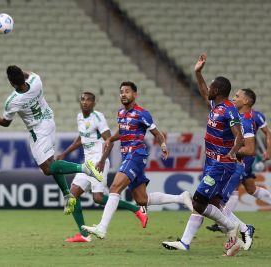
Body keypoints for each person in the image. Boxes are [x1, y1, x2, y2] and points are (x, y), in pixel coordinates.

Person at [0, 65, 103, 215]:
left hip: (38, 130)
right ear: (23, 77)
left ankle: (85, 168)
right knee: (51, 163)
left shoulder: (13, 101)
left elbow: (5, 122)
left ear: (11, 83)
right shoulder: (36, 81)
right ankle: (68, 195)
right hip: (49, 120)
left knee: (48, 168)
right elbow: (28, 74)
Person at [81, 81, 193, 240]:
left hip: (136, 154)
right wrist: (111, 139)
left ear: (135, 94)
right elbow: (122, 130)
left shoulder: (142, 113)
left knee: (114, 188)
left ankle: (102, 228)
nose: (123, 94)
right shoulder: (121, 113)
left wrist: (163, 145)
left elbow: (157, 133)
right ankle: (181, 198)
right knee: (142, 199)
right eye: (121, 92)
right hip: (127, 156)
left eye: (127, 91)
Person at [162, 53, 245, 256]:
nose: (208, 89)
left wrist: (233, 152)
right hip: (211, 162)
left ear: (217, 91)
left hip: (221, 164)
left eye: (211, 87)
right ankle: (188, 241)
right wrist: (198, 72)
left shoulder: (229, 110)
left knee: (198, 200)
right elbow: (202, 90)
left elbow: (240, 137)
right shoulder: (216, 106)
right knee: (211, 204)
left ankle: (232, 228)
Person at [58, 92, 145, 242]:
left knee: (98, 198)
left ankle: (137, 210)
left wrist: (102, 161)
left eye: (89, 100)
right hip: (87, 164)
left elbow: (109, 141)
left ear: (94, 103)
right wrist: (64, 153)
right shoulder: (79, 117)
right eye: (83, 99)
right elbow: (81, 139)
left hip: (99, 162)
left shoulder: (98, 118)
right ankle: (84, 235)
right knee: (72, 196)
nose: (85, 102)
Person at [206, 88, 271, 248]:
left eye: (237, 96)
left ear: (247, 101)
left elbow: (266, 134)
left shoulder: (253, 117)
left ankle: (227, 223)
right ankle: (227, 222)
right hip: (237, 154)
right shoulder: (234, 114)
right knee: (250, 188)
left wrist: (268, 150)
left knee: (225, 194)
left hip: (243, 157)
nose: (233, 98)